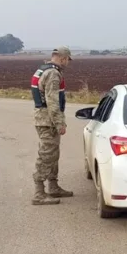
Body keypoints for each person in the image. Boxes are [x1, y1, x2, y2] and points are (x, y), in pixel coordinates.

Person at [30, 46, 74, 205]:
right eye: (68, 60)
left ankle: (53, 187)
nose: (68, 63)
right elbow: (52, 101)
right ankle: (39, 194)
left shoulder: (43, 69)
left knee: (53, 153)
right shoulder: (53, 74)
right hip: (48, 121)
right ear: (63, 58)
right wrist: (59, 123)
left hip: (43, 118)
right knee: (47, 155)